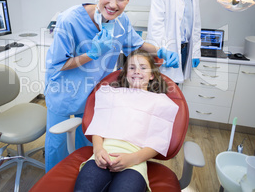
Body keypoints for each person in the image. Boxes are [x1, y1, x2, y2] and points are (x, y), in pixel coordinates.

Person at [44, 0, 179, 172]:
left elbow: (137, 44)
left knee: (88, 141)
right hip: (63, 91)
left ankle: (82, 176)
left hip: (92, 93)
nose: (113, 4)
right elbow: (59, 64)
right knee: (58, 144)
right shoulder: (70, 21)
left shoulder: (121, 22)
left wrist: (161, 51)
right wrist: (91, 54)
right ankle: (53, 181)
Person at [74, 49, 179, 192]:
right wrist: (98, 150)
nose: (137, 71)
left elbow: (157, 142)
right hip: (103, 155)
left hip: (135, 161)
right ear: (125, 72)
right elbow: (98, 126)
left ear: (152, 75)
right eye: (132, 67)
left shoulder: (160, 103)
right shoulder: (111, 94)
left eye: (143, 68)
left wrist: (132, 159)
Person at [147, 0, 202, 84]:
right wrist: (161, 54)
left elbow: (195, 27)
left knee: (175, 90)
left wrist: (195, 52)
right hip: (168, 51)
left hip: (185, 51)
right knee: (161, 90)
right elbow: (156, 27)